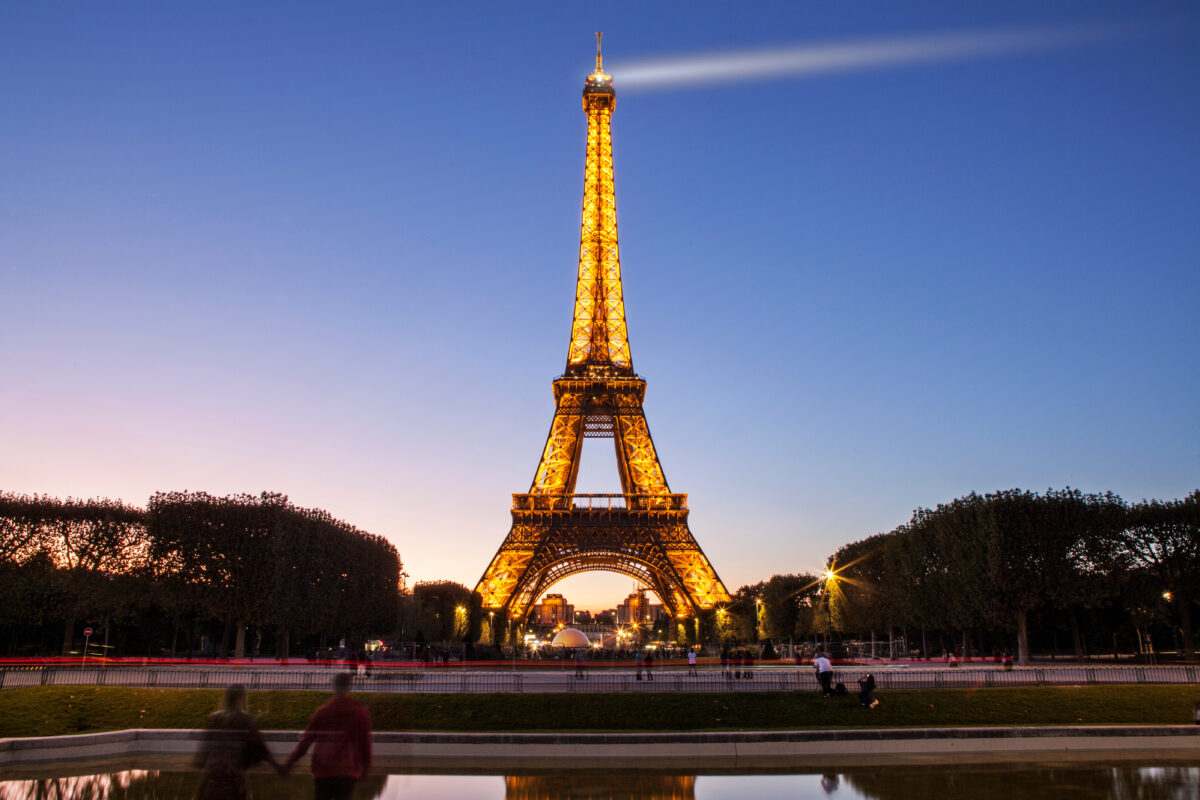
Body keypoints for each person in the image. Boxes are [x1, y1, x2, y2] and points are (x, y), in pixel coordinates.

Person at [284, 672, 372, 800]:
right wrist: (365, 770)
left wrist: (289, 763)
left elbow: (305, 742)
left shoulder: (322, 712)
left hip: (323, 770)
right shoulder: (359, 712)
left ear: (333, 686)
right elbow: (365, 744)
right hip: (347, 770)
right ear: (349, 687)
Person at [194, 684, 282, 800]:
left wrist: (201, 763)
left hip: (213, 776)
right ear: (242, 698)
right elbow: (261, 747)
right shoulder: (245, 719)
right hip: (234, 777)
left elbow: (204, 751)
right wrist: (278, 767)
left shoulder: (214, 718)